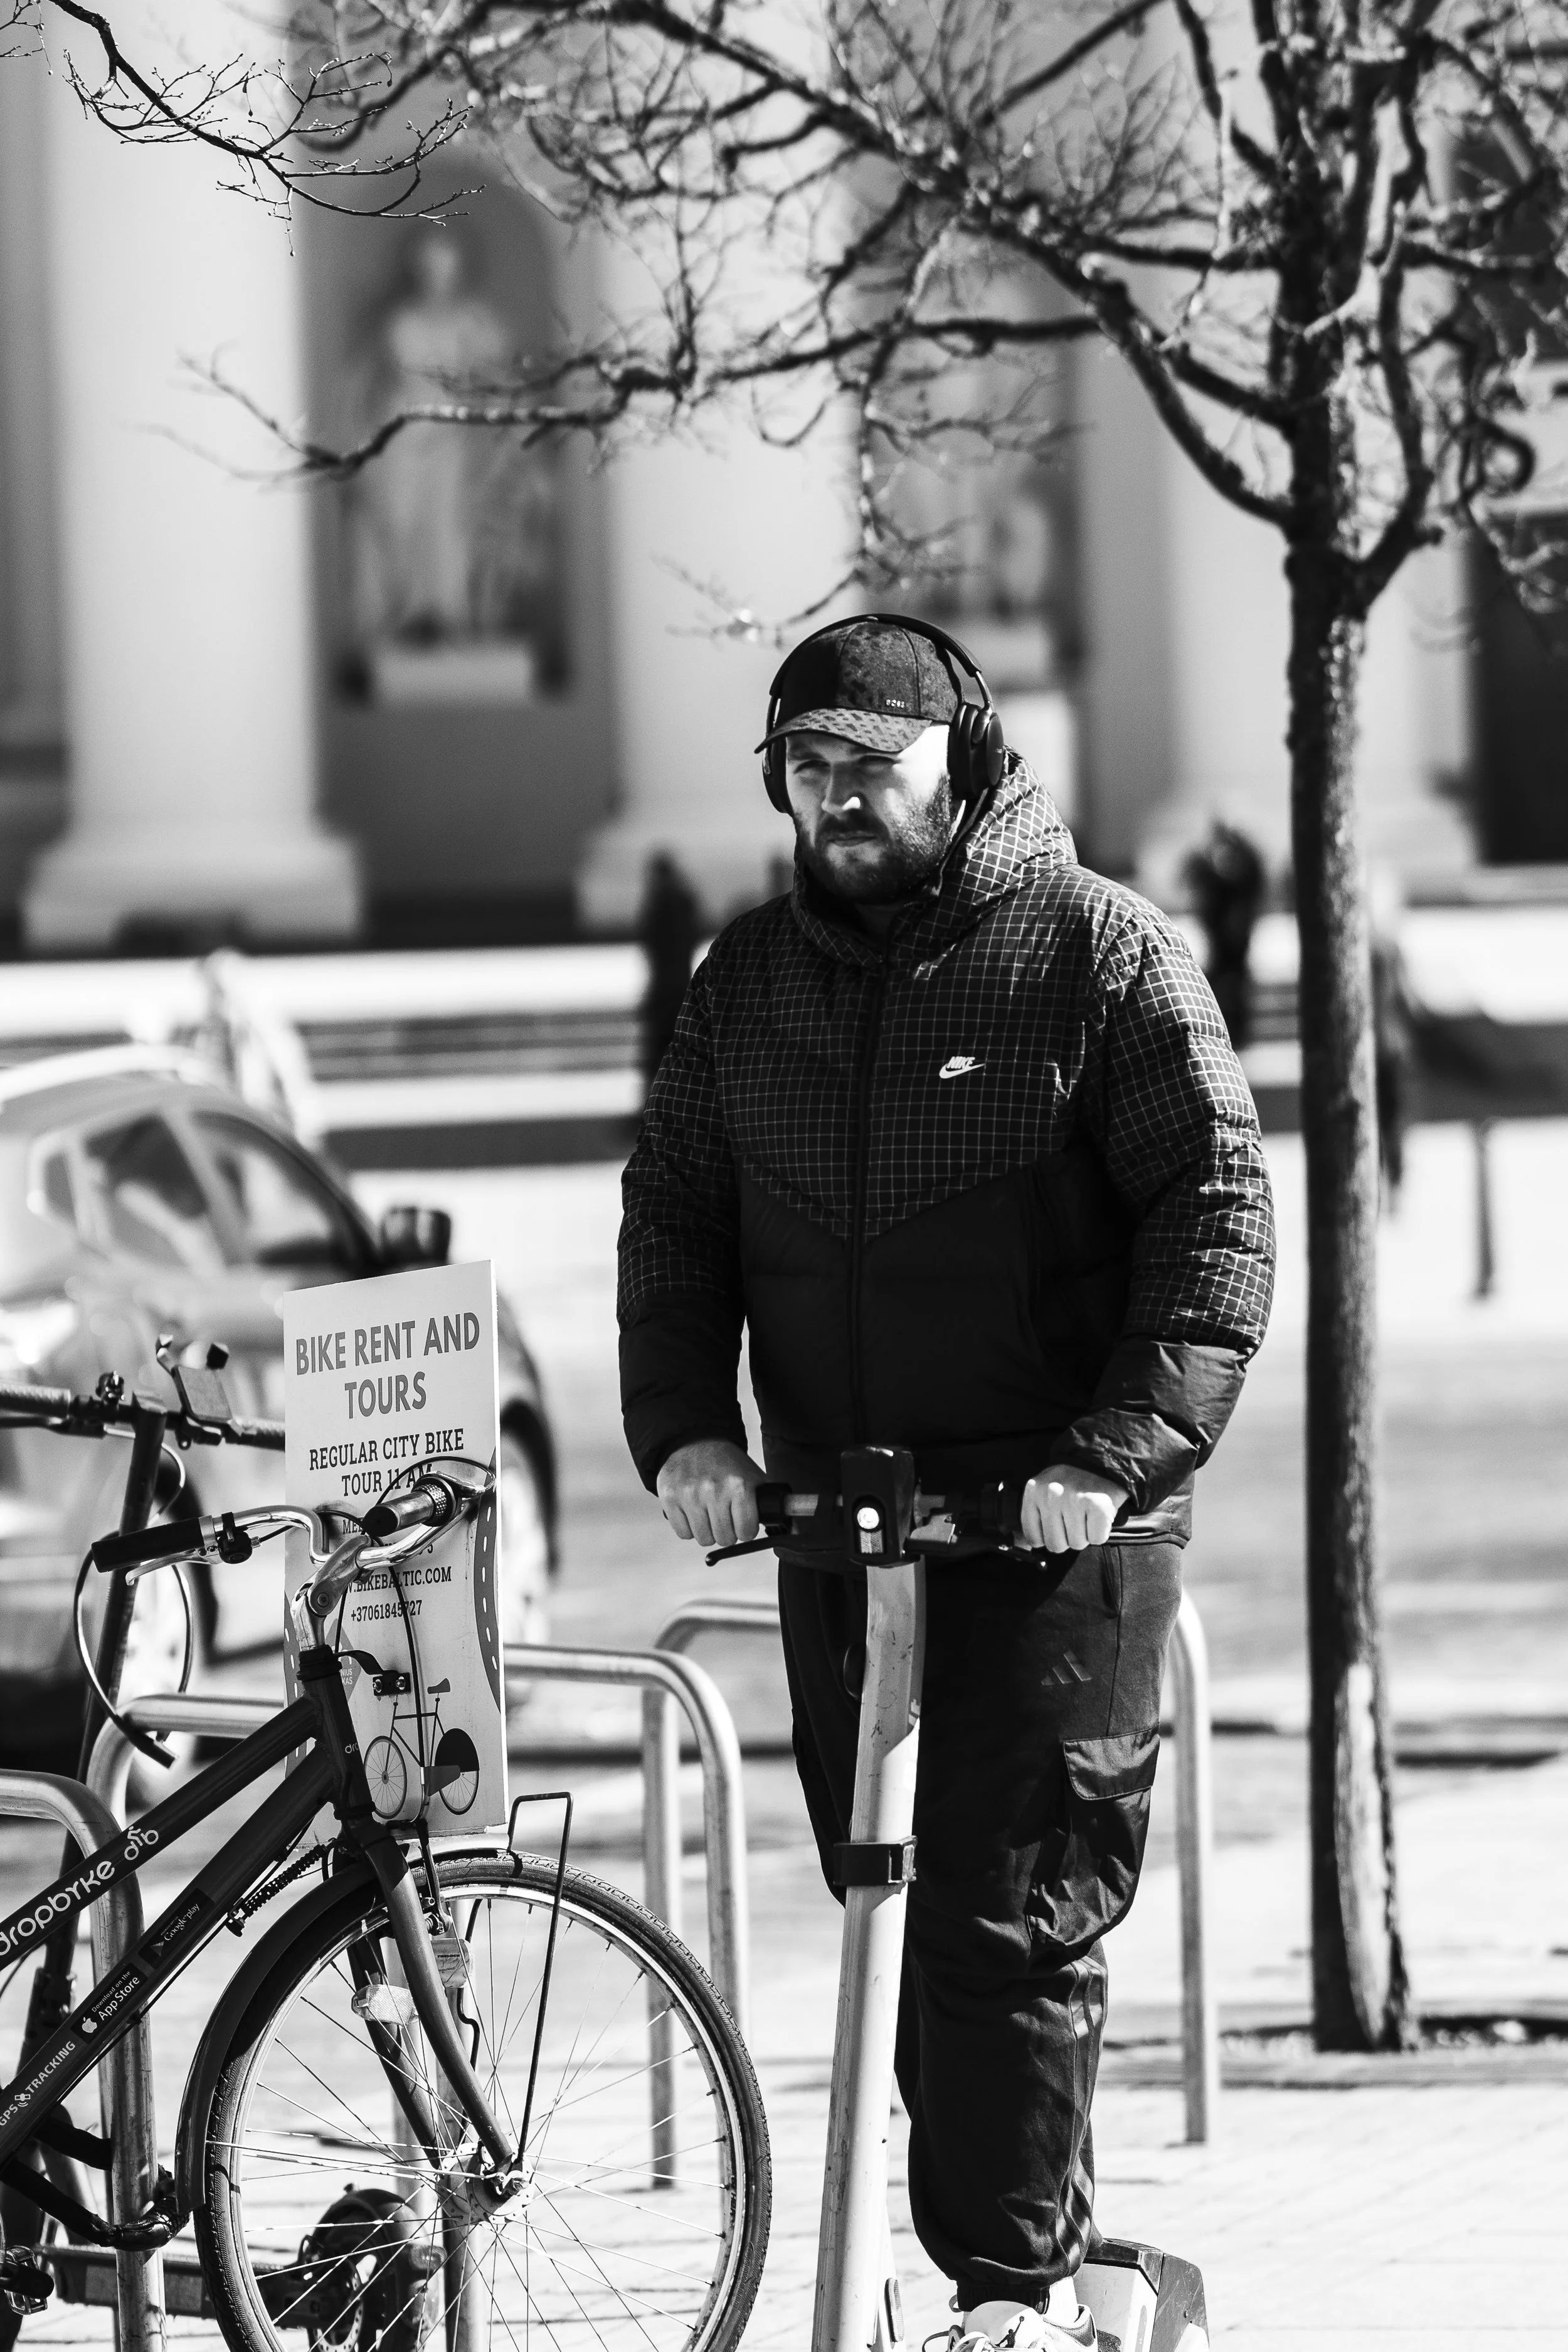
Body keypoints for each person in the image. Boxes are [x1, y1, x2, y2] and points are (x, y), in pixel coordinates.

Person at [617, 615, 1275, 2352]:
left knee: (1010, 1916)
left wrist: (1109, 1454)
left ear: (964, 763)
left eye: (872, 768)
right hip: (848, 1525)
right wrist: (688, 1430)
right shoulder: (745, 980)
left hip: (1055, 1536)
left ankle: (1007, 2288)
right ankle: (1029, 2257)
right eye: (807, 770)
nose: (837, 801)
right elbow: (675, 1219)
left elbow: (1213, 1223)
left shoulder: (1098, 957)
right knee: (896, 1923)